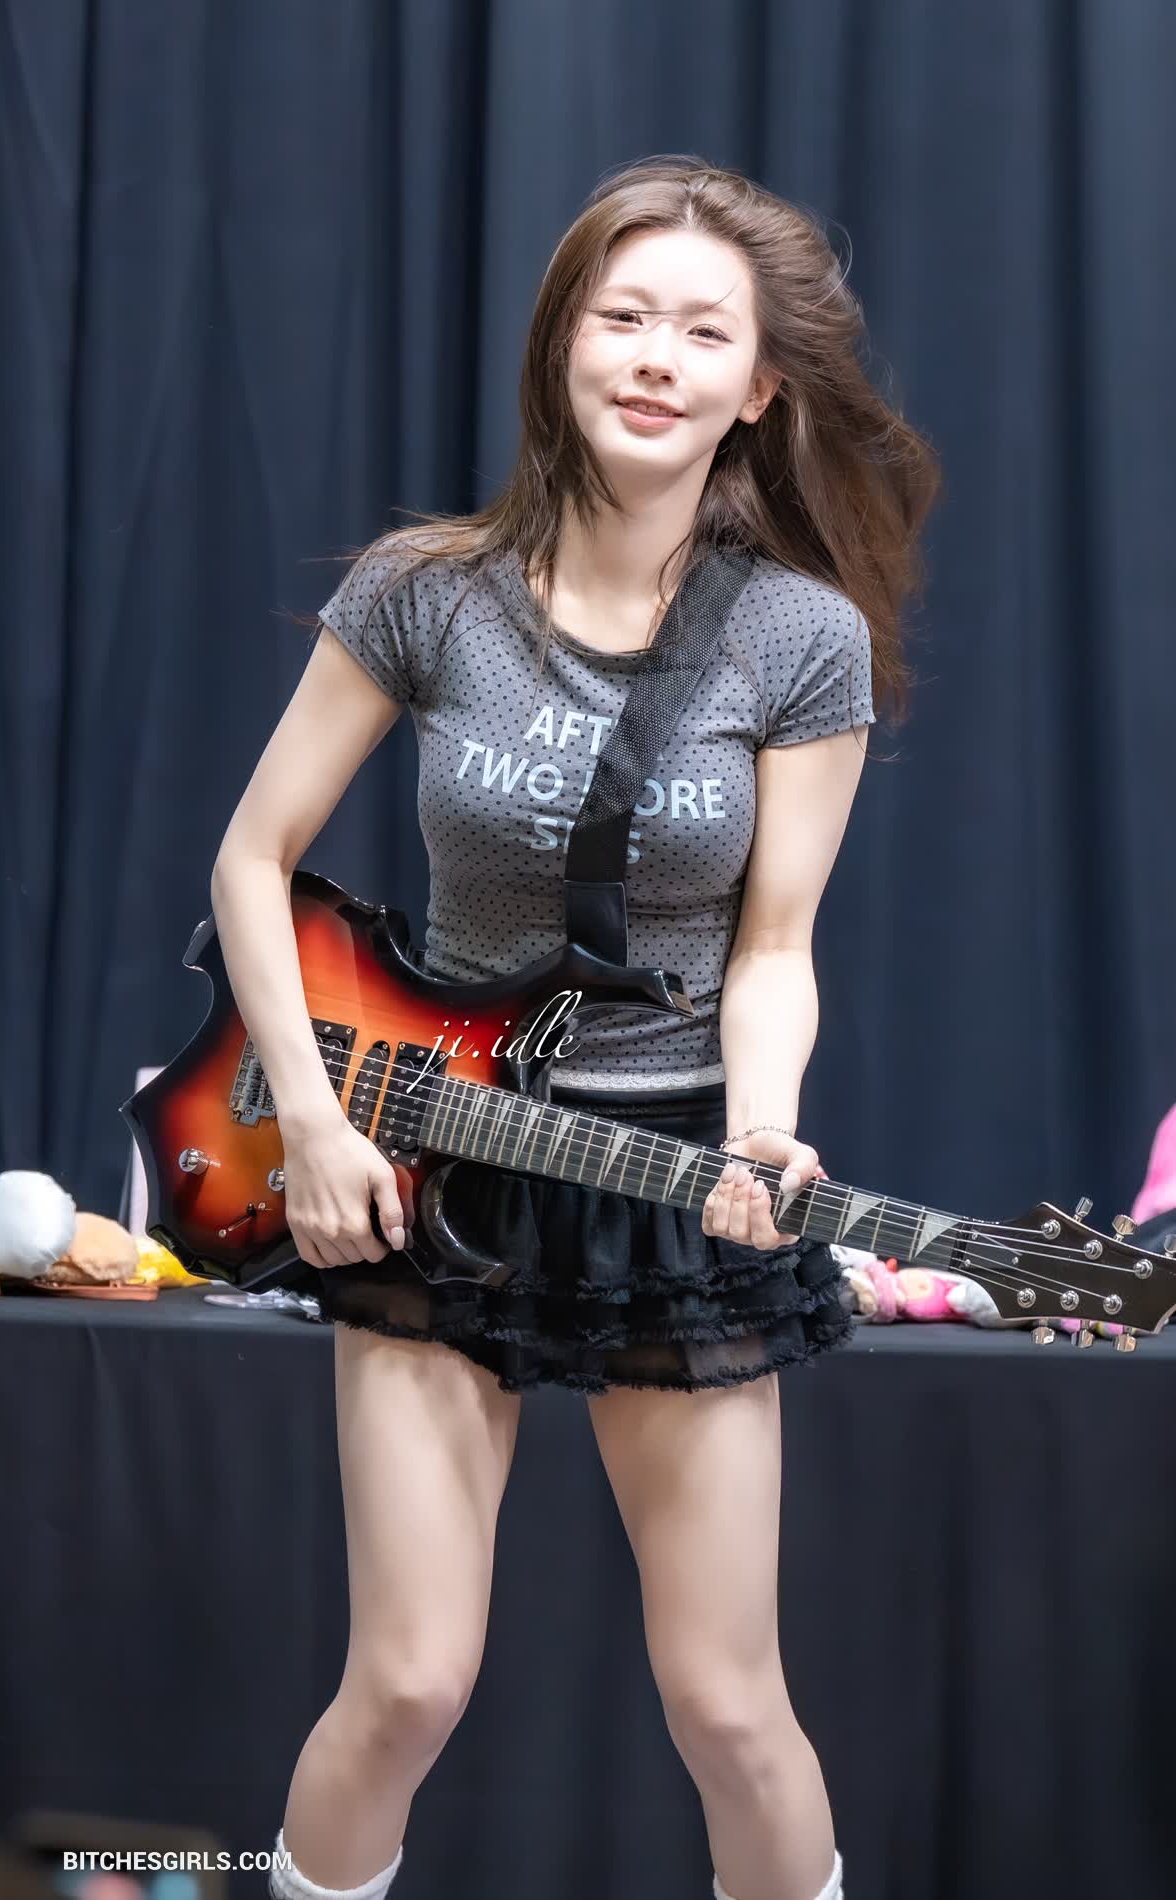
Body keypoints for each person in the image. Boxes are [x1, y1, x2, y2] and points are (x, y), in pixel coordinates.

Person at [209, 157, 938, 1900]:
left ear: (758, 388)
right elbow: (251, 859)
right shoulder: (427, 591)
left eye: (703, 332)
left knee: (730, 1708)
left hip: (673, 1175)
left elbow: (776, 948)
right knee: (406, 1683)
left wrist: (764, 1126)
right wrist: (310, 1118)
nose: (655, 357)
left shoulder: (799, 638)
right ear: (562, 344)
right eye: (622, 317)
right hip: (427, 1159)